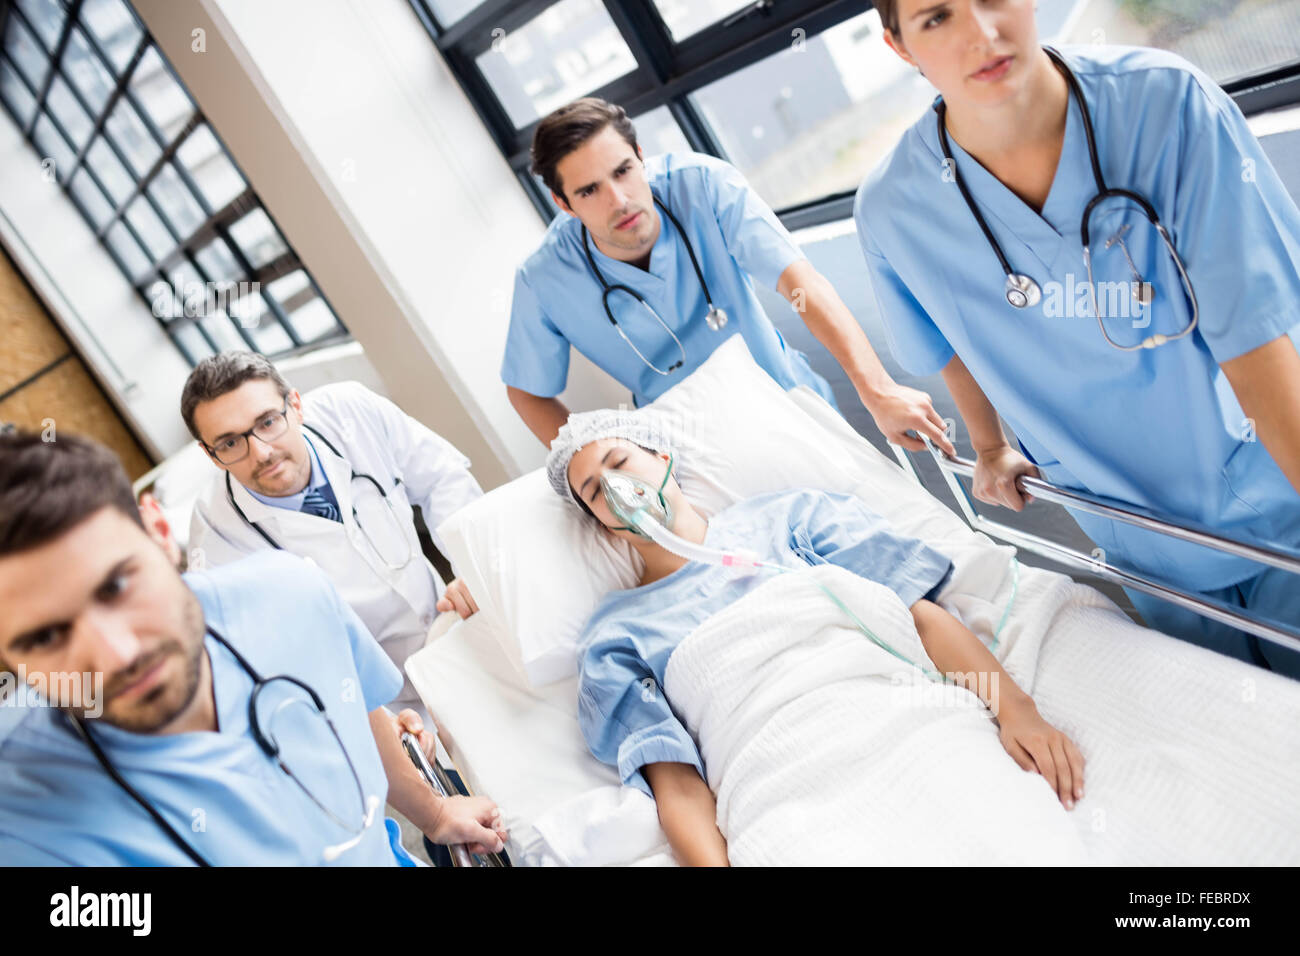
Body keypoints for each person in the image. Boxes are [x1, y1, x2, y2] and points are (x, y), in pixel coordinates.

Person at [854, 0, 1300, 674]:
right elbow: (946, 340)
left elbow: (1256, 340)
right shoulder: (895, 205)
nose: (981, 32)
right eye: (937, 16)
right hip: (1136, 538)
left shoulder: (1165, 107)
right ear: (898, 46)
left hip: (1270, 505)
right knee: (1244, 728)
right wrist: (990, 446)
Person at [546, 411, 1085, 866]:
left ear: (661, 459)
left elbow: (916, 617)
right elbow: (678, 785)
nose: (617, 489)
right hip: (778, 781)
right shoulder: (616, 635)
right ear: (599, 523)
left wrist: (1016, 709)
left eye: (619, 463)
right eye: (595, 491)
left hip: (898, 720)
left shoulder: (790, 520)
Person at [0, 430, 507, 865]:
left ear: (157, 532)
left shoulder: (291, 594)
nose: (117, 653)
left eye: (114, 587)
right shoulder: (24, 819)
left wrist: (435, 812)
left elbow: (353, 698)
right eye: (44, 638)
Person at [502, 97, 955, 459]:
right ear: (564, 204)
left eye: (623, 171)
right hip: (686, 454)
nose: (618, 200)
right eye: (588, 191)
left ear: (641, 158)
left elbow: (799, 285)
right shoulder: (545, 280)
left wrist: (877, 389)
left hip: (788, 402)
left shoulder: (703, 186)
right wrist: (592, 460)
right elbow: (526, 391)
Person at [185, 352, 483, 718]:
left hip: (461, 626)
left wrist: (473, 570)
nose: (261, 452)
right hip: (381, 706)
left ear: (295, 405)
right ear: (210, 454)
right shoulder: (217, 534)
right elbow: (256, 656)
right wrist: (373, 725)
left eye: (267, 422)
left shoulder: (350, 412)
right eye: (230, 443)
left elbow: (441, 478)